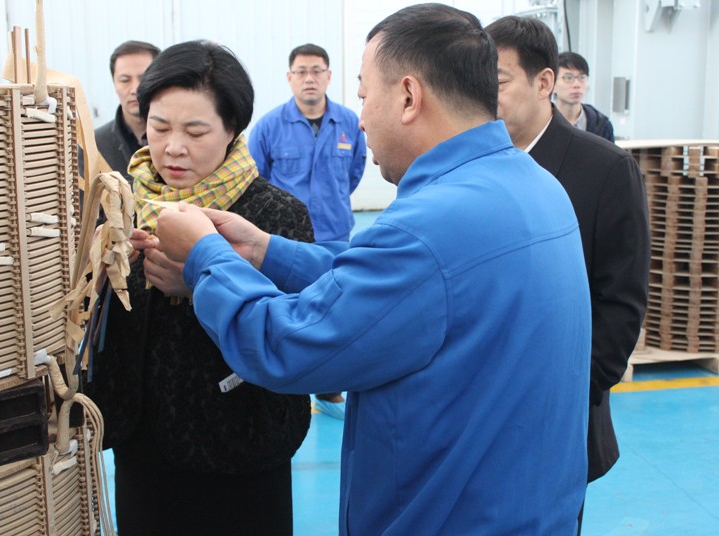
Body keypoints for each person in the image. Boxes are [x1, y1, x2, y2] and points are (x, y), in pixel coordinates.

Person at [152, 4, 591, 534]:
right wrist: (265, 251)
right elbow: (400, 283)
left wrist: (205, 255)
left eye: (363, 97)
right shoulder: (534, 184)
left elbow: (283, 345)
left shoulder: (429, 227)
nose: (358, 119)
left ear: (408, 97)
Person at [84, 41, 312, 535]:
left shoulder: (274, 215)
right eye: (159, 127)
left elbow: (295, 334)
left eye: (195, 131)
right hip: (144, 447)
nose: (173, 147)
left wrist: (198, 285)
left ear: (232, 129)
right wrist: (108, 274)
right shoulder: (119, 205)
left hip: (242, 445)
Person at [485, 16, 650, 533]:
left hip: (558, 416)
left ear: (544, 82)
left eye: (498, 80)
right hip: (480, 410)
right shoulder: (475, 164)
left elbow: (621, 302)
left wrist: (570, 393)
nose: (485, 94)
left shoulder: (605, 170)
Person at [248, 43, 366, 419]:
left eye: (317, 71)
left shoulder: (349, 122)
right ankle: (285, 393)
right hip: (286, 238)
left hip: (334, 236)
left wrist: (331, 202)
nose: (309, 78)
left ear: (329, 77)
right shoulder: (269, 126)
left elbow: (355, 171)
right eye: (301, 71)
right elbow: (256, 180)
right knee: (287, 311)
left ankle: (329, 392)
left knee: (335, 313)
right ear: (289, 78)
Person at [95, 40, 160, 187]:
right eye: (125, 80)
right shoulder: (94, 146)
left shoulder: (181, 139)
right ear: (114, 84)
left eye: (144, 79)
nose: (135, 89)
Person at [554, 51, 615, 142]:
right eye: (568, 78)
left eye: (582, 77)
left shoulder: (602, 125)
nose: (577, 84)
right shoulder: (540, 122)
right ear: (552, 83)